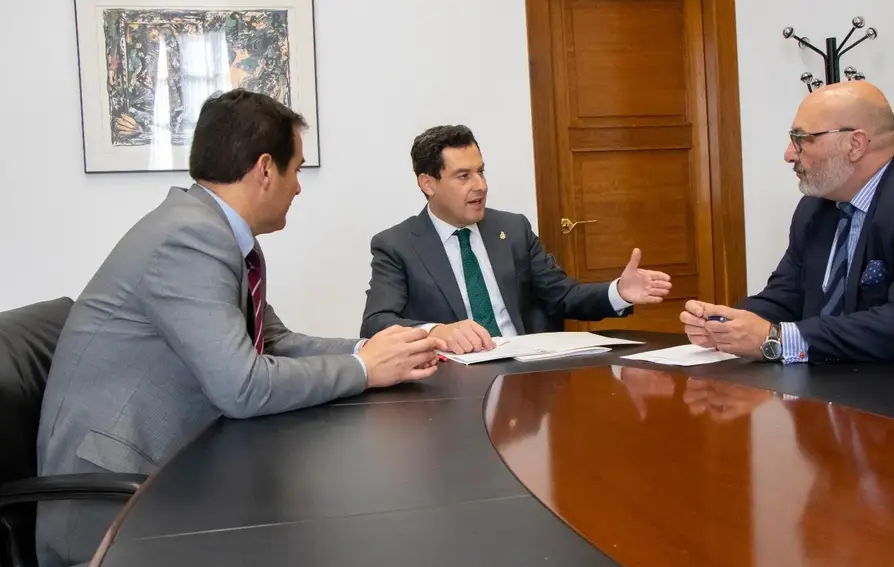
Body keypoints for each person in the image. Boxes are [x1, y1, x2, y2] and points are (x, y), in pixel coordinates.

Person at [35, 89, 444, 567]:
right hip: (113, 507)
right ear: (266, 169)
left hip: (173, 473)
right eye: (297, 171)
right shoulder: (189, 238)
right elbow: (242, 386)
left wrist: (381, 347)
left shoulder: (214, 231)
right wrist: (364, 369)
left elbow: (275, 342)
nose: (298, 187)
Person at [680, 81, 894, 364]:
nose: (789, 154)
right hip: (846, 392)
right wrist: (727, 324)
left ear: (855, 144)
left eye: (802, 139)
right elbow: (787, 295)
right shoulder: (816, 207)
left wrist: (774, 338)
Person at [360, 125, 673, 353]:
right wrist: (438, 331)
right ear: (429, 184)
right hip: (452, 381)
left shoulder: (512, 229)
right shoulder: (397, 245)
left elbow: (562, 295)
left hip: (527, 372)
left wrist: (619, 292)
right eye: (464, 176)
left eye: (481, 172)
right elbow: (376, 322)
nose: (480, 185)